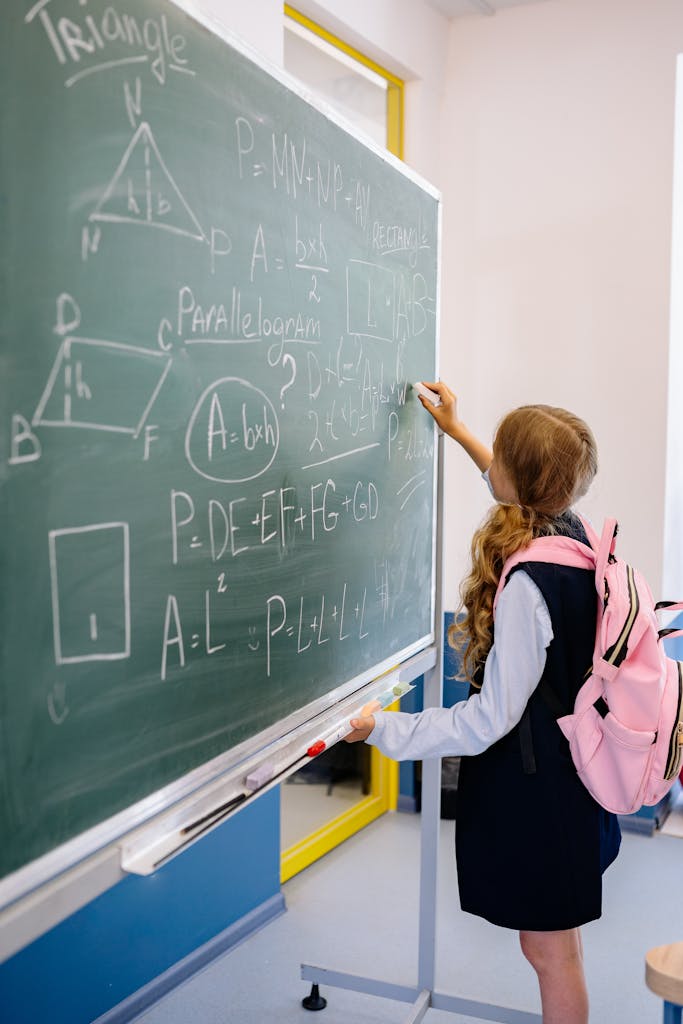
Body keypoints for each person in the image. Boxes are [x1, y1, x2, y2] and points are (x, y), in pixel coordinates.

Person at [346, 381, 621, 1024]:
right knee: (560, 946)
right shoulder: (573, 533)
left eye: (496, 454)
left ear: (519, 478)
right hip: (575, 771)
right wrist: (460, 431)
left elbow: (486, 720)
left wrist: (382, 731)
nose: (487, 462)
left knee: (550, 954)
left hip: (543, 788)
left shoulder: (529, 583)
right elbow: (511, 482)